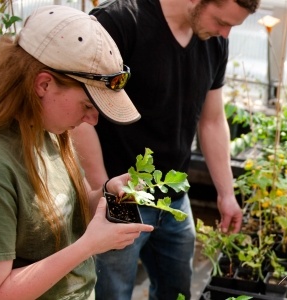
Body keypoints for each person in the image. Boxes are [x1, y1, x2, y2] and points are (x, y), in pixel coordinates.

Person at [0, 5, 154, 299]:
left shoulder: (46, 130)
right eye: (87, 105)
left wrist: (106, 195)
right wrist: (88, 246)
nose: (93, 120)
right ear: (44, 84)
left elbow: (70, 210)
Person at [69, 0, 259, 298]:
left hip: (173, 200)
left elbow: (211, 121)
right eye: (223, 22)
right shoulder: (119, 21)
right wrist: (103, 196)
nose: (225, 34)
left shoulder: (214, 42)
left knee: (175, 290)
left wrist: (226, 193)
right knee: (112, 293)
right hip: (120, 196)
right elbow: (79, 116)